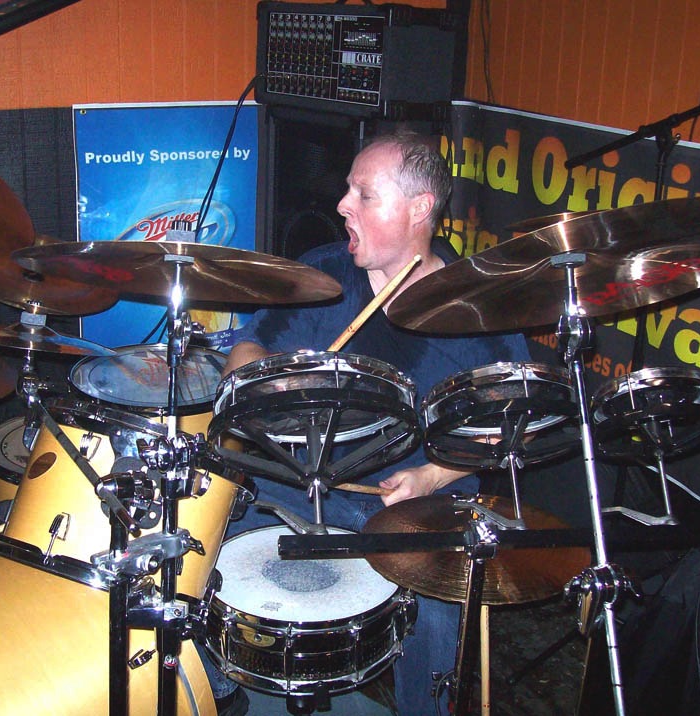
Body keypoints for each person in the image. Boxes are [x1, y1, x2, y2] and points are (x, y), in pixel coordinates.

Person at [206, 131, 531, 715]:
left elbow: (512, 424)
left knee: (437, 615)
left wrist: (434, 474)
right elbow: (248, 347)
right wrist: (259, 388)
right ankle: (221, 693)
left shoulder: (478, 303)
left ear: (418, 208)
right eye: (347, 190)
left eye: (364, 194)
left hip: (420, 505)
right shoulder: (324, 274)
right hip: (304, 483)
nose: (342, 205)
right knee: (199, 543)